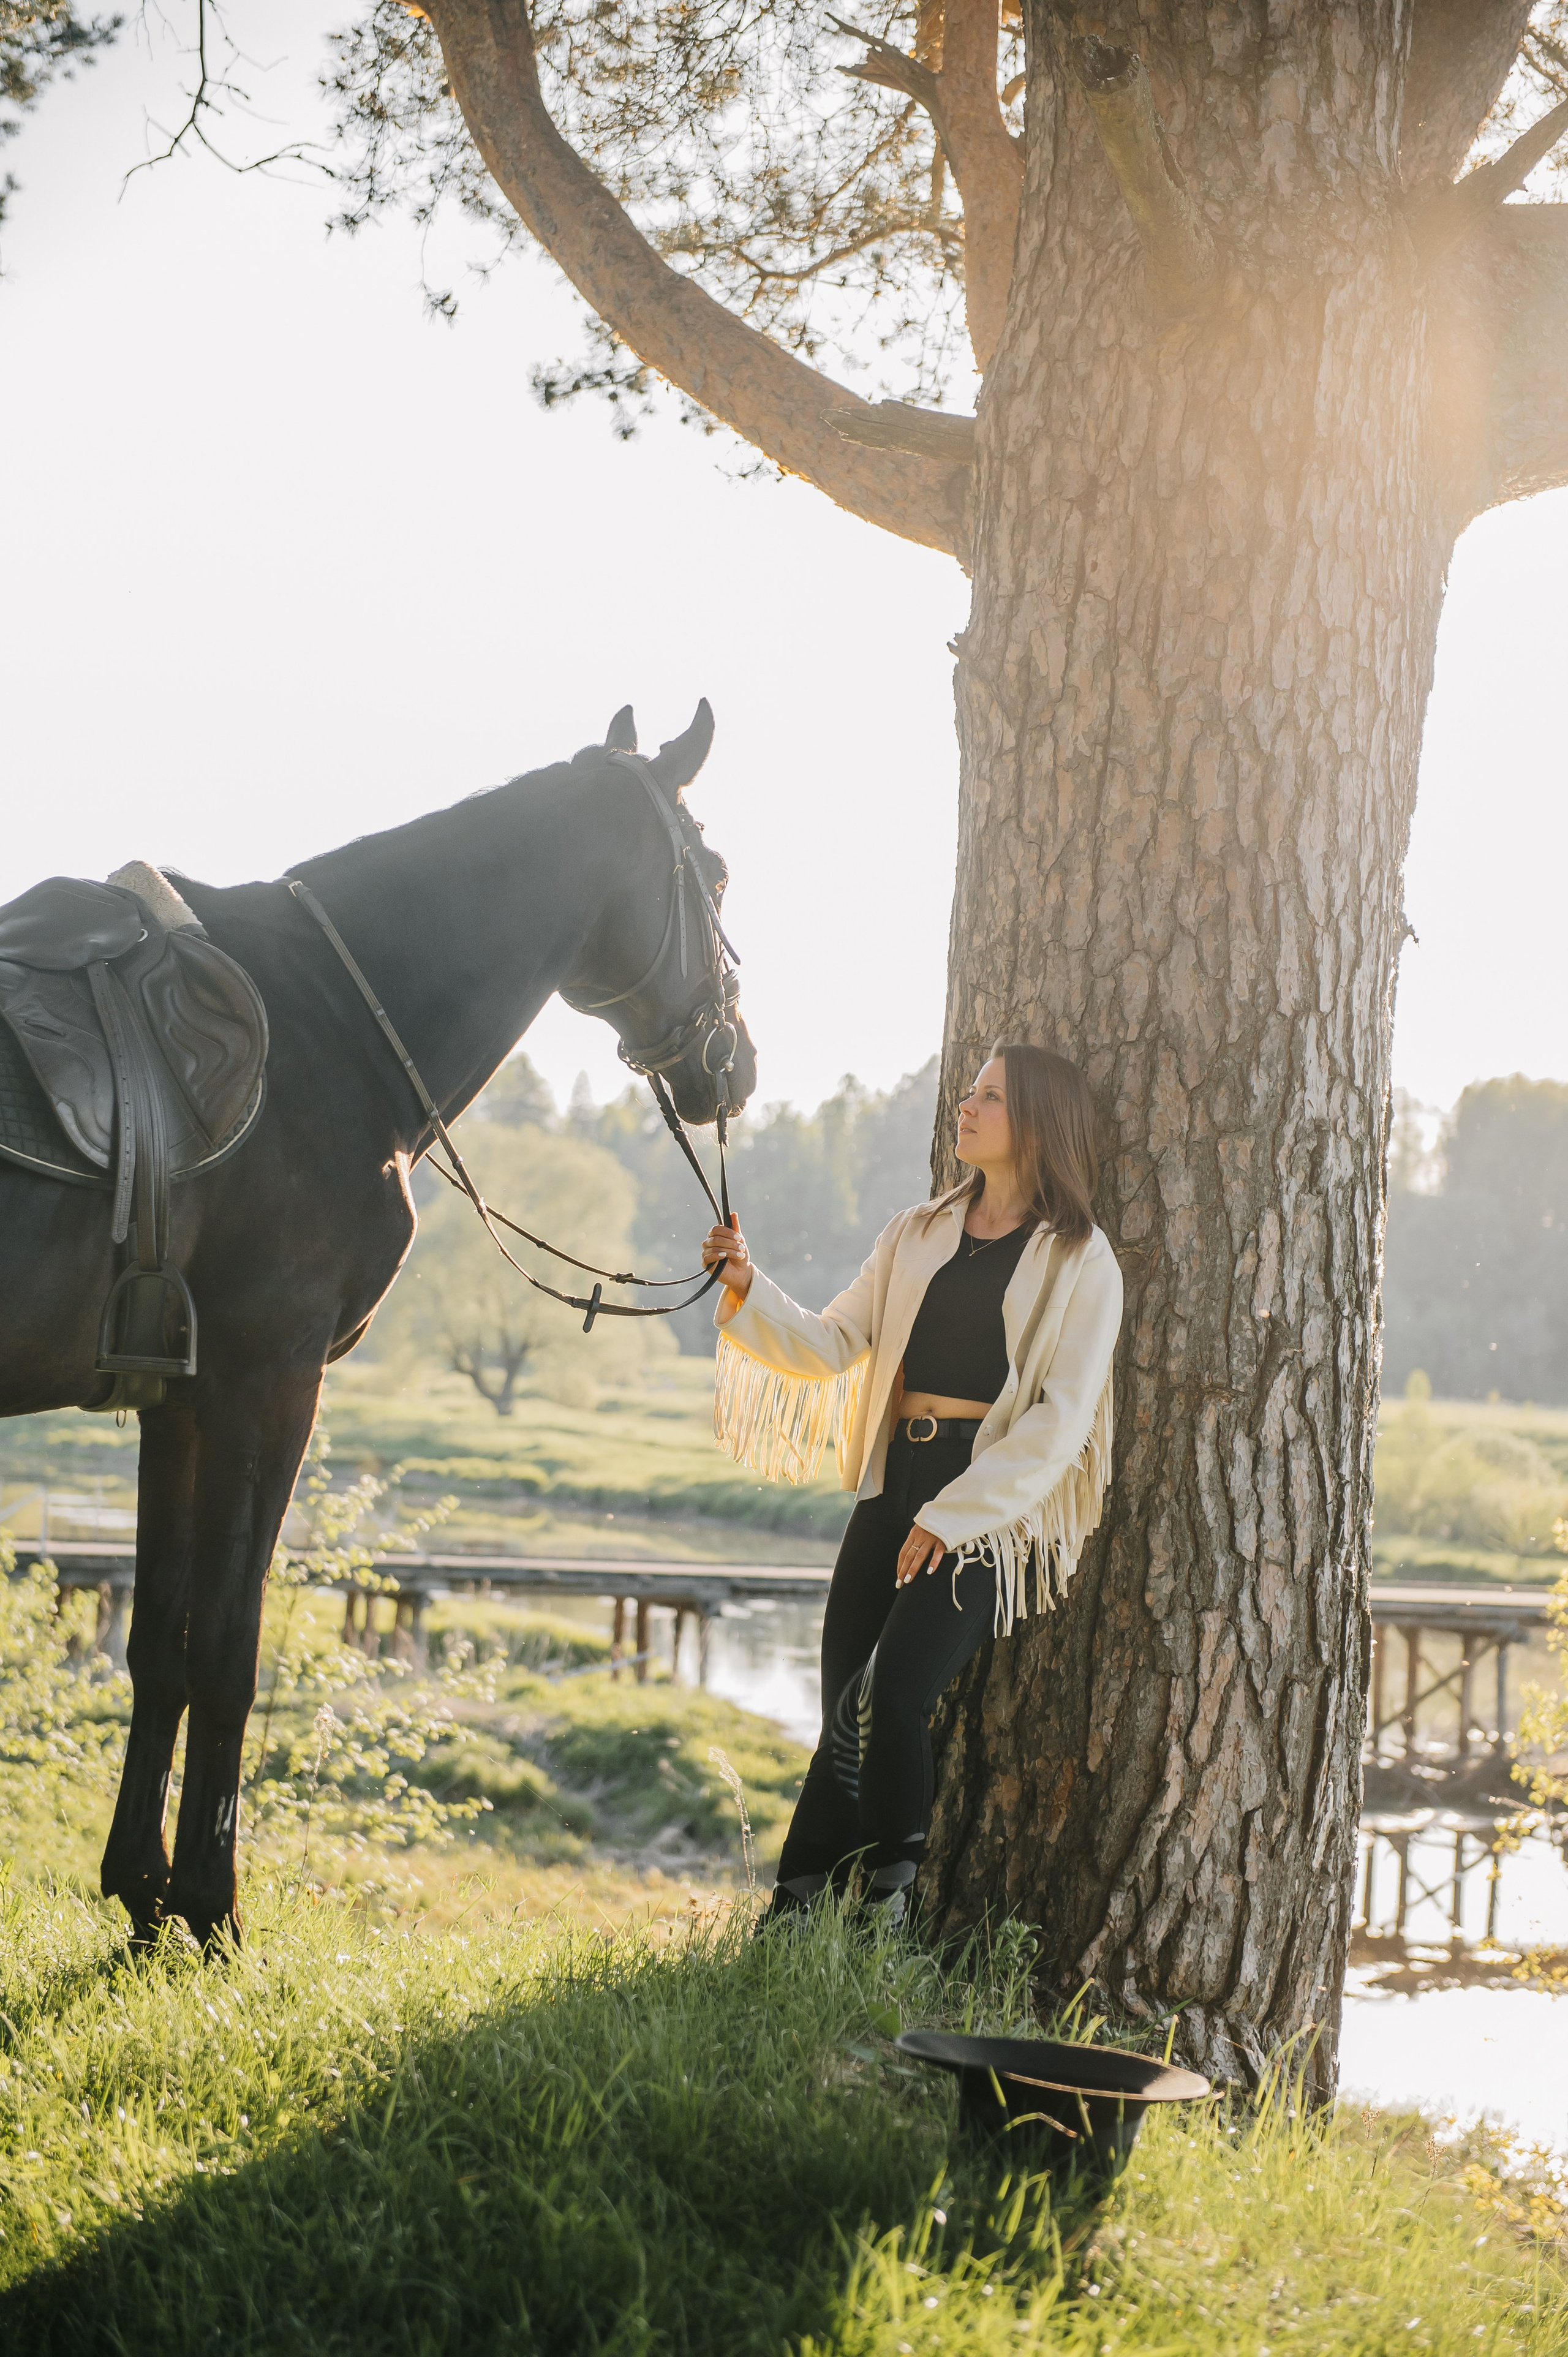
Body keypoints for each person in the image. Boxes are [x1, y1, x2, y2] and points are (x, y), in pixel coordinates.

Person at [699, 1041, 1122, 1925]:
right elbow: (832, 1342)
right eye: (969, 1093)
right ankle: (797, 1921)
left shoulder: (1080, 1260)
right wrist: (748, 1286)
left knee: (892, 1700)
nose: (966, 1108)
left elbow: (1061, 1420)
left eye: (991, 1098)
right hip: (892, 1485)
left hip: (985, 1509)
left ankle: (882, 1920)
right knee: (840, 1708)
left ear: (1039, 1122)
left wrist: (952, 1516)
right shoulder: (916, 1231)